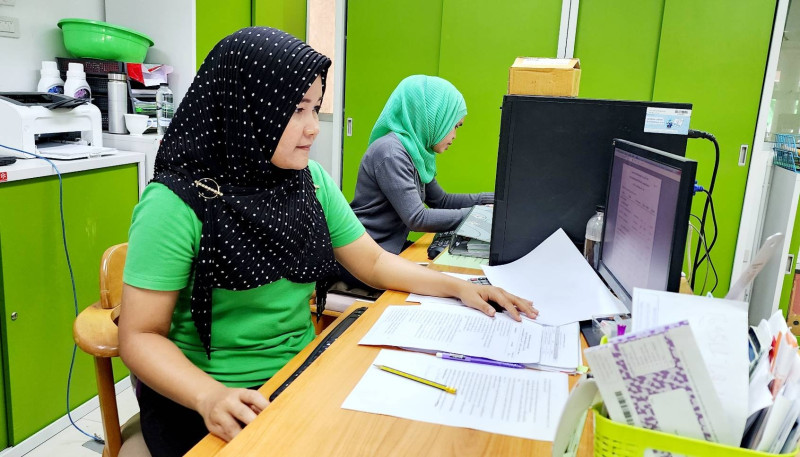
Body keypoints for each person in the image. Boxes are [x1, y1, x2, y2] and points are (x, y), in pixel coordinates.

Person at [118, 27, 537, 457]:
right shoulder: (176, 201)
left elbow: (373, 262)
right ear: (246, 107)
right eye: (297, 109)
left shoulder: (310, 182)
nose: (313, 127)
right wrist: (208, 396)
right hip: (209, 398)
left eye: (315, 109)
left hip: (298, 376)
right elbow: (140, 335)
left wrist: (459, 286)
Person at [349, 75, 495, 257]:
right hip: (365, 254)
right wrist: (479, 215)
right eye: (455, 126)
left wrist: (496, 200)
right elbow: (417, 218)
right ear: (435, 117)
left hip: (386, 249)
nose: (454, 136)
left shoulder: (414, 152)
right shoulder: (391, 153)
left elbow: (441, 201)